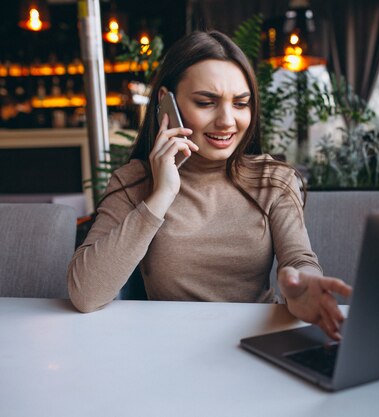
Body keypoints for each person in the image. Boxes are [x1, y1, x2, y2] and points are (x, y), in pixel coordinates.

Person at [67, 30, 351, 340]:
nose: (228, 120)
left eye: (241, 104)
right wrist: (161, 194)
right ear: (166, 103)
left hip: (255, 342)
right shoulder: (135, 181)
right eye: (206, 102)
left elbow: (299, 260)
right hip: (167, 346)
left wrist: (304, 286)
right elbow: (86, 294)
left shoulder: (273, 179)